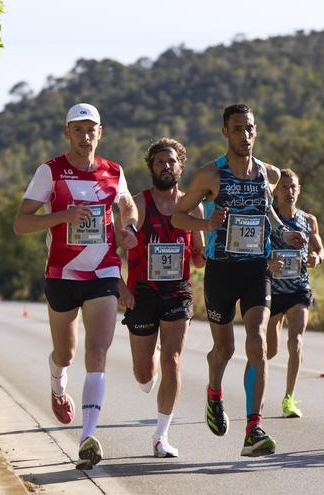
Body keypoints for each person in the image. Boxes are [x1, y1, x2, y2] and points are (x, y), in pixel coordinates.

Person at [172, 103, 306, 457]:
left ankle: (253, 428)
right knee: (225, 350)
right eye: (236, 129)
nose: (244, 136)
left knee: (258, 343)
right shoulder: (210, 176)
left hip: (257, 269)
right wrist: (207, 225)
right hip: (221, 271)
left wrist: (285, 234)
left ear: (255, 130)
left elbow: (268, 212)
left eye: (249, 129)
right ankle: (214, 392)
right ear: (225, 132)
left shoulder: (269, 174)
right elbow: (178, 218)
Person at [13, 103, 138, 469]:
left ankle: (87, 437)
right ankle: (57, 385)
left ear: (101, 132)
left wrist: (128, 229)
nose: (86, 137)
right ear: (67, 132)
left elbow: (127, 205)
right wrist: (63, 216)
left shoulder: (114, 171)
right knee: (66, 354)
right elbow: (21, 223)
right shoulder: (49, 172)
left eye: (91, 130)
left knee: (97, 351)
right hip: (62, 274)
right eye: (78, 130)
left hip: (103, 271)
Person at [117, 138, 205, 458]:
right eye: (159, 162)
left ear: (181, 166)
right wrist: (121, 288)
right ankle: (150, 352)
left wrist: (209, 253)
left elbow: (197, 257)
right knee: (144, 374)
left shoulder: (192, 206)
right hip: (141, 293)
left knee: (173, 361)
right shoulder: (138, 205)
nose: (166, 167)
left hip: (177, 292)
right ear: (151, 168)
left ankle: (161, 436)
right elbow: (112, 250)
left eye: (171, 162)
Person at [266, 169, 324, 418]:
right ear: (276, 191)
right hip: (273, 290)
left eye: (293, 187)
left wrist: (316, 258)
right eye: (284, 187)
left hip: (299, 288)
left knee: (296, 340)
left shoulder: (308, 220)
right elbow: (255, 250)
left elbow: (320, 250)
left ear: (299, 190)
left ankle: (289, 398)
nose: (289, 192)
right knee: (269, 351)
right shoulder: (269, 219)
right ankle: (257, 390)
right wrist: (269, 261)